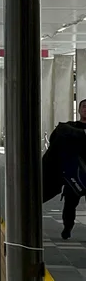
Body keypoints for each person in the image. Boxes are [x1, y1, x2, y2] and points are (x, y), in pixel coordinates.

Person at [42, 98, 86, 240]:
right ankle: (67, 227)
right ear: (79, 110)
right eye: (84, 106)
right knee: (70, 203)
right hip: (72, 173)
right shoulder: (69, 127)